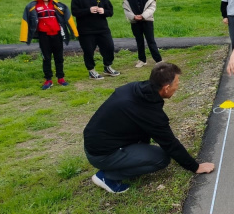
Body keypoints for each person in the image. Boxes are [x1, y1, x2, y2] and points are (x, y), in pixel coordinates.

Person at [83, 62, 215, 193]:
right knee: (161, 158)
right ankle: (107, 177)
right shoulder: (149, 112)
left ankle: (122, 161)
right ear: (166, 88)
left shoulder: (137, 89)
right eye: (177, 83)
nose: (178, 86)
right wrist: (195, 167)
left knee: (147, 149)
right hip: (101, 154)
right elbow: (169, 143)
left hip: (96, 141)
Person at [21, 0, 79, 89]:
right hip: (44, 36)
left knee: (59, 57)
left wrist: (75, 33)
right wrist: (24, 37)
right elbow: (25, 20)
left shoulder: (57, 5)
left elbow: (68, 17)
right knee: (46, 58)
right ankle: (48, 80)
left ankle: (60, 78)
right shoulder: (33, 6)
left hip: (57, 35)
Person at [71, 0, 120, 79]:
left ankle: (107, 66)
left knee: (109, 47)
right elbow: (74, 12)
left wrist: (104, 11)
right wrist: (88, 10)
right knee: (88, 51)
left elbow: (110, 11)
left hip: (102, 29)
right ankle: (91, 71)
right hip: (86, 31)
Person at [123, 0, 162, 68]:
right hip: (135, 21)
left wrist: (143, 15)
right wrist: (133, 16)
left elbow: (151, 6)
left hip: (147, 20)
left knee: (150, 40)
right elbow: (126, 7)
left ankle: (158, 60)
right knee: (139, 41)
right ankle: (142, 60)